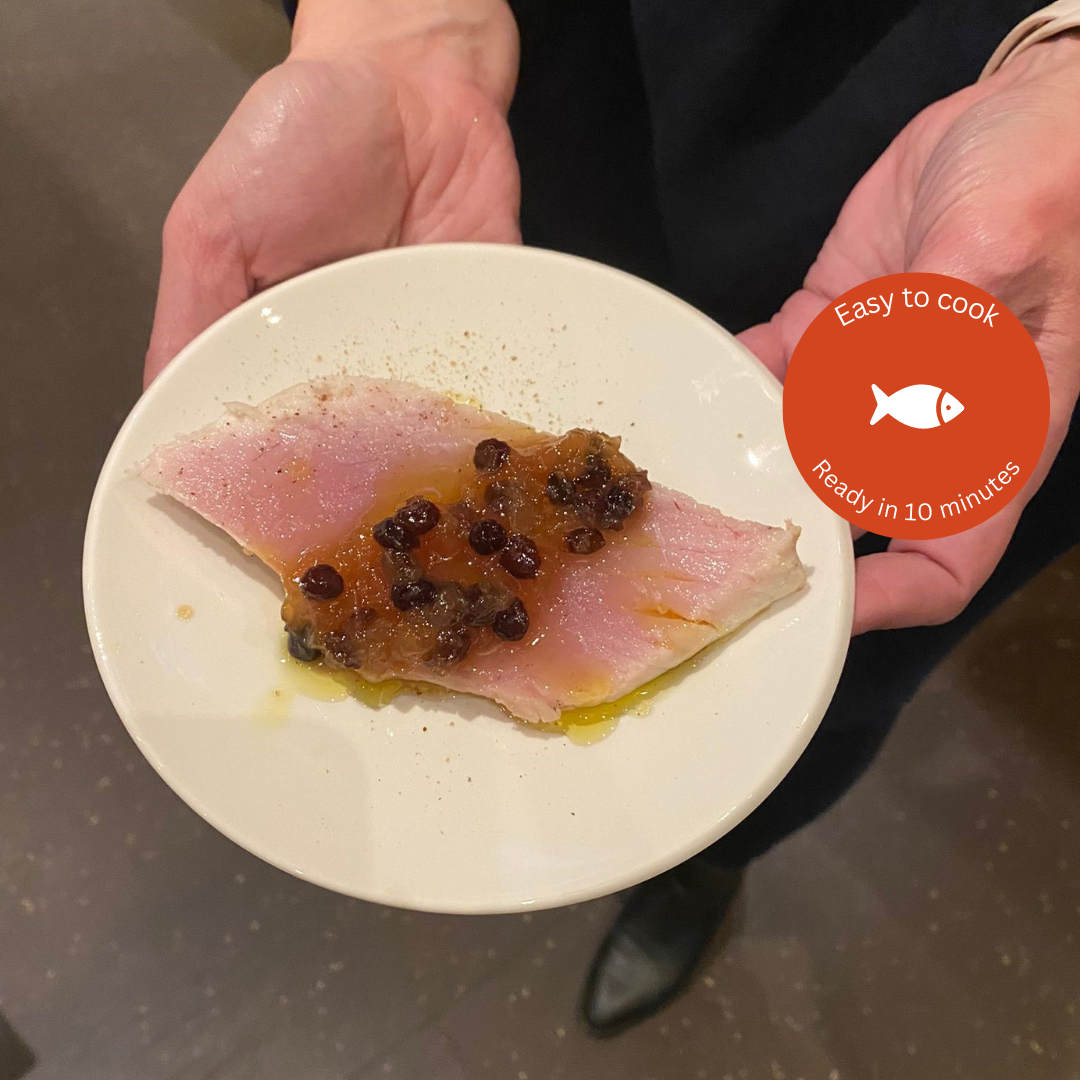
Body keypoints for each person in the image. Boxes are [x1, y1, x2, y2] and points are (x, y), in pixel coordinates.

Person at [145, 0, 1080, 1036]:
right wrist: (407, 28)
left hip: (976, 181)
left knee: (833, 662)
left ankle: (711, 863)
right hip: (575, 78)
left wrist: (1066, 77)